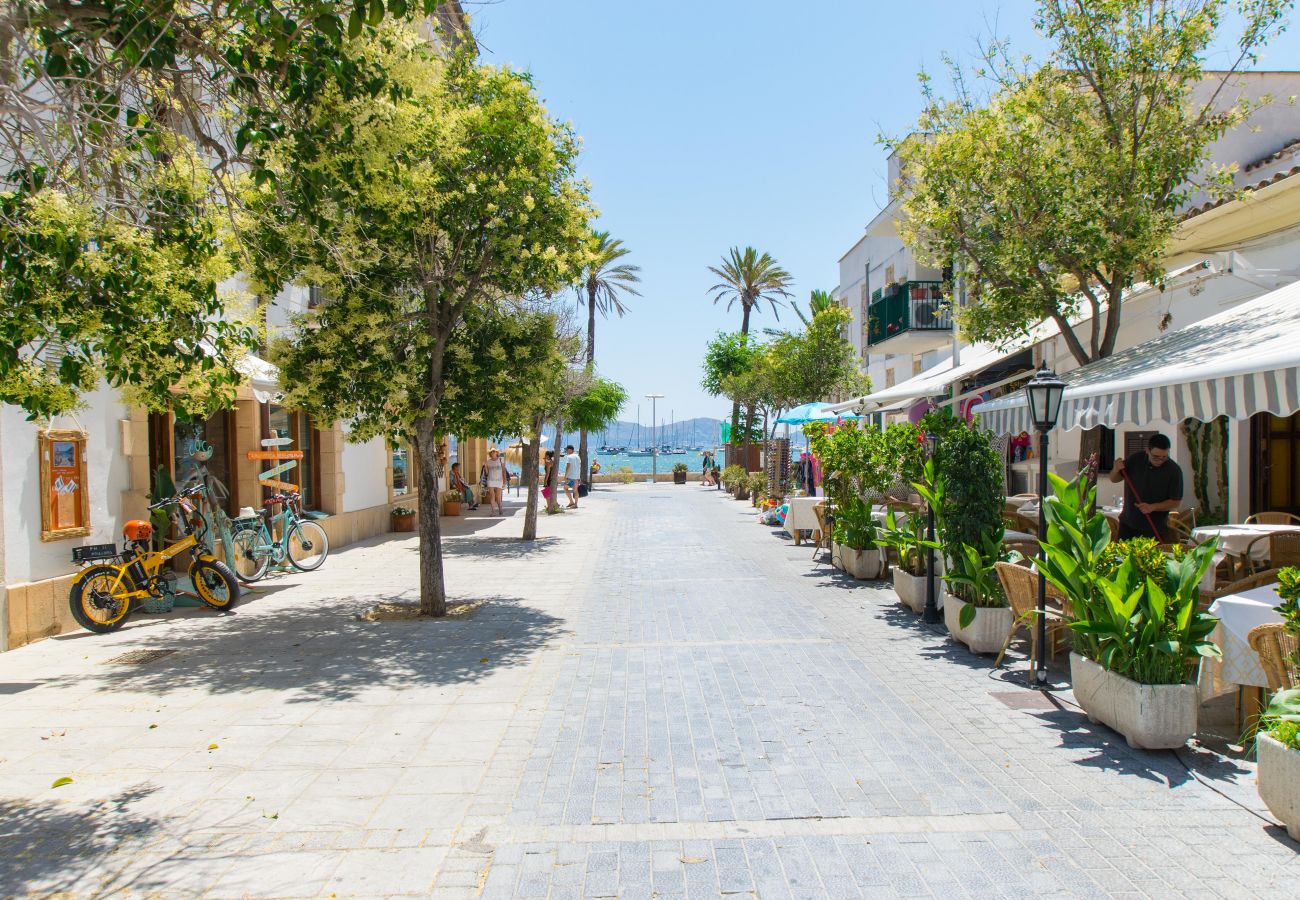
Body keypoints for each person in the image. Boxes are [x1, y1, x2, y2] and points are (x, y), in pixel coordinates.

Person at [1109, 432, 1183, 541]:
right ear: (1147, 450)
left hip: (1154, 527)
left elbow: (1176, 502)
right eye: (1156, 457)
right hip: (1127, 524)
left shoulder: (1174, 470)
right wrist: (1116, 469)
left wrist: (1152, 507)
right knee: (1121, 557)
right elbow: (1114, 479)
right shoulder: (1135, 459)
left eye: (1164, 457)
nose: (1160, 461)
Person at [482, 447, 508, 515]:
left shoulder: (500, 460)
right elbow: (487, 473)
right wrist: (485, 466)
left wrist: (505, 480)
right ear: (490, 454)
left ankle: (500, 509)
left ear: (497, 452)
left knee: (498, 496)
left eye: (494, 451)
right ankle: (493, 511)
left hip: (499, 480)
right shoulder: (488, 462)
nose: (493, 452)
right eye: (492, 452)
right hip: (490, 480)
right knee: (492, 496)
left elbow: (504, 471)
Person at [562, 444, 582, 508]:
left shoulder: (569, 457)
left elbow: (568, 466)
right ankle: (575, 504)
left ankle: (571, 501)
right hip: (577, 477)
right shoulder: (578, 457)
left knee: (565, 488)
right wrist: (579, 476)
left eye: (567, 450)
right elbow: (579, 467)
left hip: (570, 477)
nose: (566, 451)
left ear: (570, 450)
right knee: (575, 490)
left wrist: (565, 476)